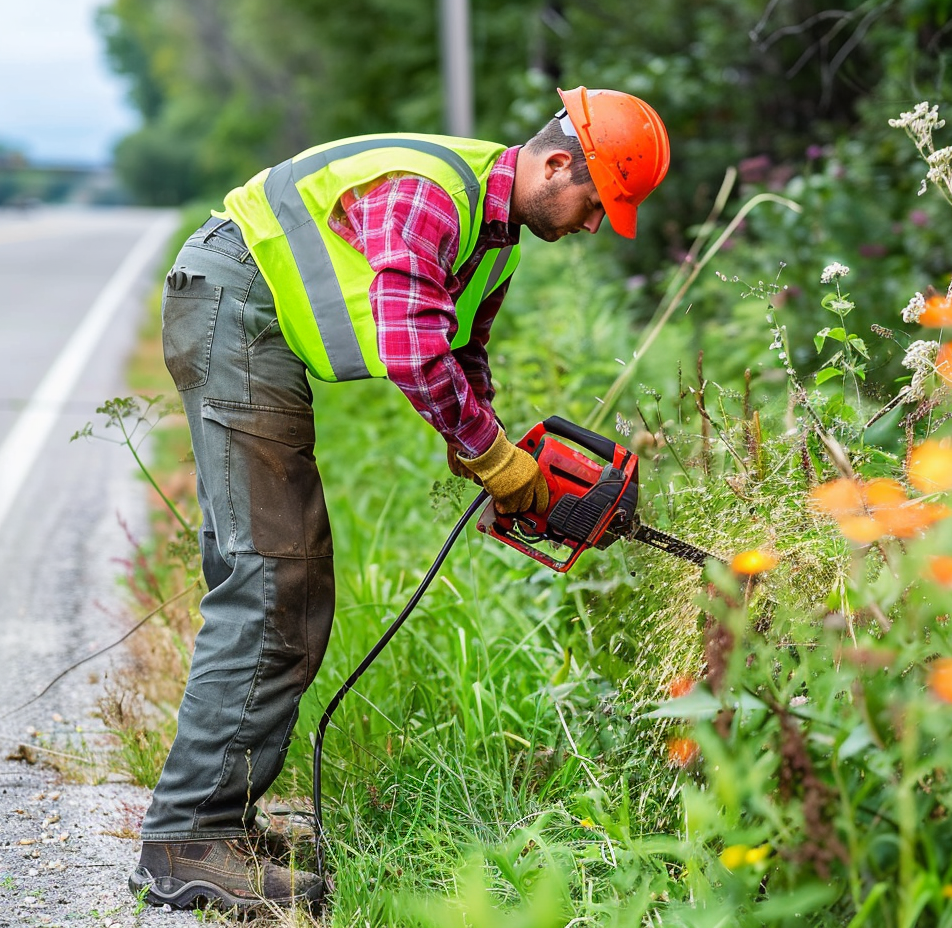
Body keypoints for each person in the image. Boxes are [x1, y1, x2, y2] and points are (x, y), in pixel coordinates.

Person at [127, 86, 669, 913]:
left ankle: (219, 820)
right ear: (558, 163)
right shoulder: (432, 192)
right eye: (597, 204)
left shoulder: (499, 237)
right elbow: (411, 346)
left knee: (282, 580)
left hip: (250, 320)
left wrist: (486, 448)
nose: (595, 226)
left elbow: (462, 351)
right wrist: (492, 460)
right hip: (234, 307)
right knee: (275, 579)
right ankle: (188, 840)